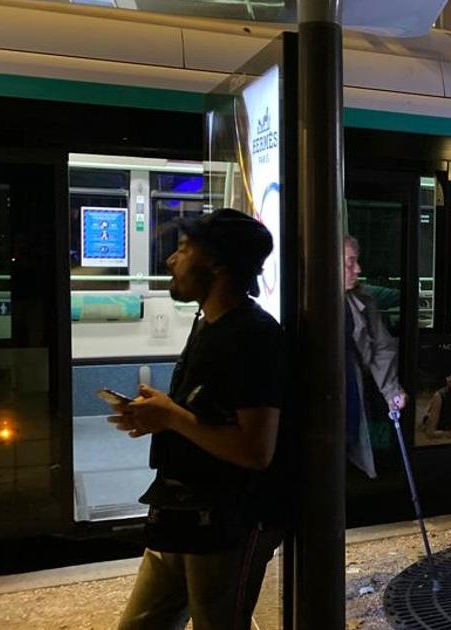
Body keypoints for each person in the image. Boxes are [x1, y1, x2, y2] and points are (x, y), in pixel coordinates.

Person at [111, 208, 285, 630]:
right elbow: (204, 410)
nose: (171, 259)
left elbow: (256, 449)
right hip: (177, 511)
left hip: (228, 522)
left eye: (185, 249)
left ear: (218, 264)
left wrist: (171, 417)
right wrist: (159, 414)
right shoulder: (206, 323)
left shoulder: (254, 335)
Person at [343, 235, 407, 479]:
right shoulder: (303, 299)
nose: (357, 269)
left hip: (349, 394)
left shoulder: (363, 300)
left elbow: (381, 348)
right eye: (350, 262)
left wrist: (392, 391)